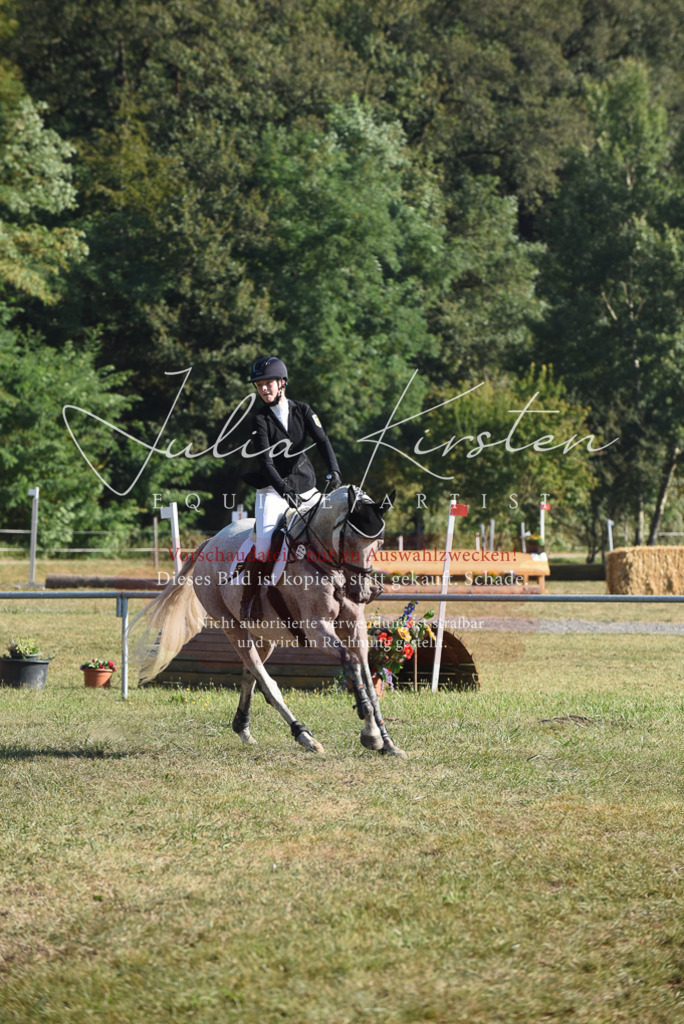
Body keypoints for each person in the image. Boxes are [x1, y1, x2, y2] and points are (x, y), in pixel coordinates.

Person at [239, 355, 342, 619]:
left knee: (328, 531)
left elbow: (323, 441)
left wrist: (334, 471)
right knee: (264, 546)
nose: (263, 389)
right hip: (273, 490)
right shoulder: (259, 419)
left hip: (306, 485)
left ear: (282, 383)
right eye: (259, 385)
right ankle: (250, 597)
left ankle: (345, 586)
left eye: (268, 383)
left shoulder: (303, 410)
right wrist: (284, 491)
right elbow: (266, 463)